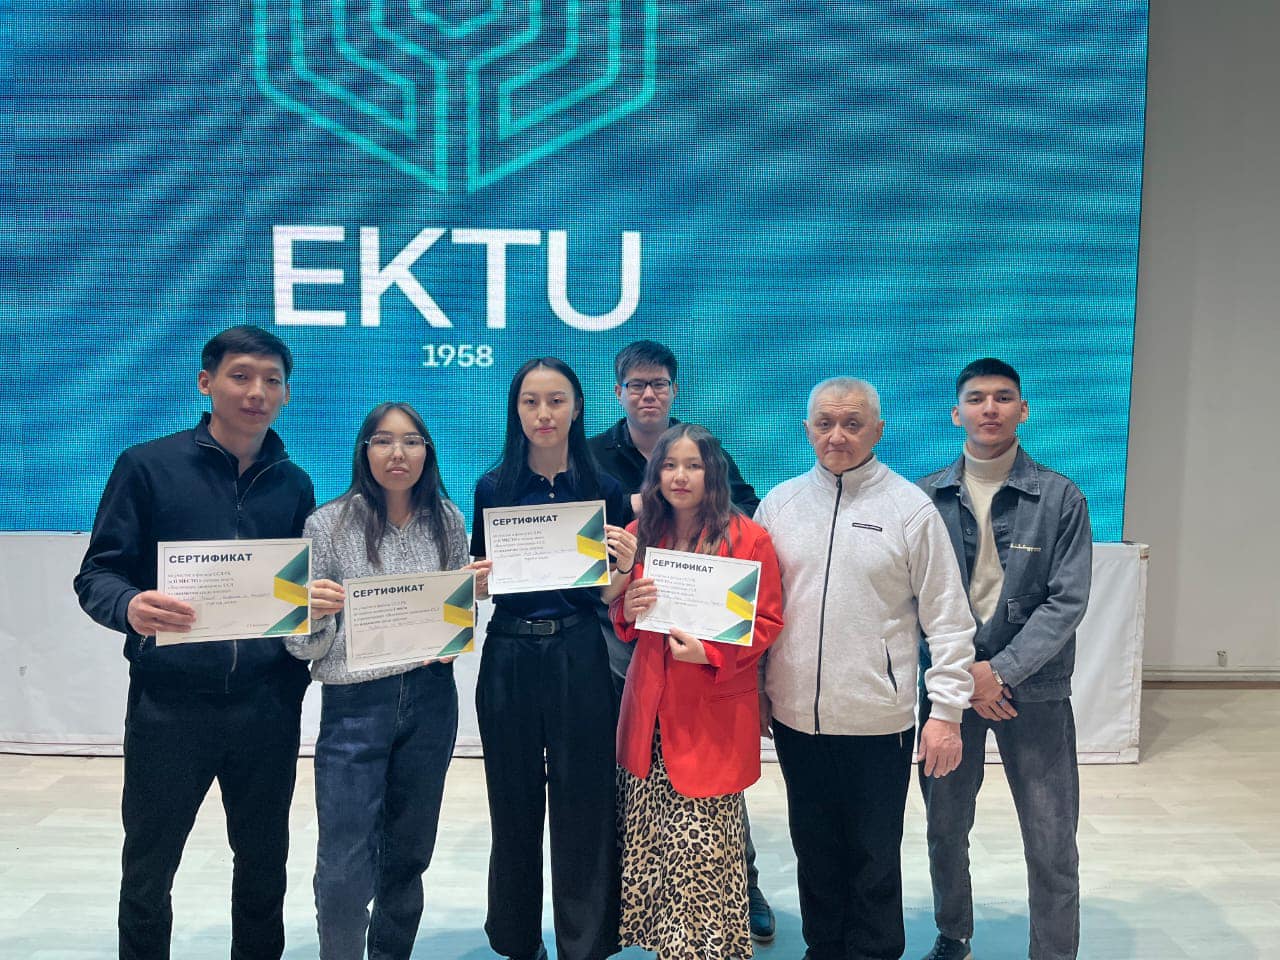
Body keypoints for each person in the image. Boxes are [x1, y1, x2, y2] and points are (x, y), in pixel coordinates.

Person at [73, 325, 314, 960]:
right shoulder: (147, 466)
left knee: (263, 865)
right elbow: (97, 574)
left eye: (271, 380)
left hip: (266, 704)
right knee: (149, 869)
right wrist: (129, 606)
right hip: (170, 705)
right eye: (241, 376)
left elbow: (300, 586)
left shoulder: (293, 483)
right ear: (206, 383)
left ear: (287, 394)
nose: (256, 392)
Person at [754, 376, 976, 960]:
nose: (838, 435)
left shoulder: (910, 509)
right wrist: (757, 690)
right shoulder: (778, 506)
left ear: (878, 430)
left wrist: (946, 713)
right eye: (825, 423)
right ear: (806, 430)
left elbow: (949, 620)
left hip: (879, 721)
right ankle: (824, 949)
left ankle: (875, 952)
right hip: (796, 719)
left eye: (852, 424)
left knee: (874, 854)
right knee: (814, 848)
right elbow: (757, 611)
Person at [285, 402, 492, 960]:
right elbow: (305, 646)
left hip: (431, 700)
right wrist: (311, 613)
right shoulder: (327, 525)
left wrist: (467, 602)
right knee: (344, 857)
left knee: (409, 851)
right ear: (365, 451)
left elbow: (457, 627)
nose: (397, 453)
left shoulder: (448, 519)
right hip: (355, 706)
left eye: (411, 441)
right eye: (383, 440)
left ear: (427, 452)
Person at [587, 339, 775, 943]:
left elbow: (764, 616)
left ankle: (724, 920)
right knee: (648, 825)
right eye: (671, 467)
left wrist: (714, 652)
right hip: (639, 687)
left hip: (710, 695)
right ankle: (662, 935)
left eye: (693, 466)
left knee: (709, 832)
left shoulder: (745, 534)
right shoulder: (633, 515)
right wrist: (627, 602)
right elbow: (620, 605)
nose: (681, 475)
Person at [916, 359, 1092, 960]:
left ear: (1023, 410)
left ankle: (1054, 952)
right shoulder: (924, 498)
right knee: (944, 828)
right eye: (976, 398)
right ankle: (953, 935)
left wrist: (1001, 672)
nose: (989, 408)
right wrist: (965, 676)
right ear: (956, 413)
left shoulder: (1061, 497)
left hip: (1033, 691)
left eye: (1002, 397)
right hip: (950, 691)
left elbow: (1066, 601)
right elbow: (910, 600)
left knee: (1050, 838)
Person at [470, 357, 637, 960]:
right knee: (511, 801)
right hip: (509, 653)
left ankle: (584, 944)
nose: (544, 413)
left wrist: (625, 567)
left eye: (557, 400)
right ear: (516, 410)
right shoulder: (493, 487)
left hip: (579, 649)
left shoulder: (604, 489)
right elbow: (483, 585)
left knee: (583, 800)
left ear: (577, 407)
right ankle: (517, 941)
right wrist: (476, 583)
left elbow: (608, 596)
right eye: (531, 401)